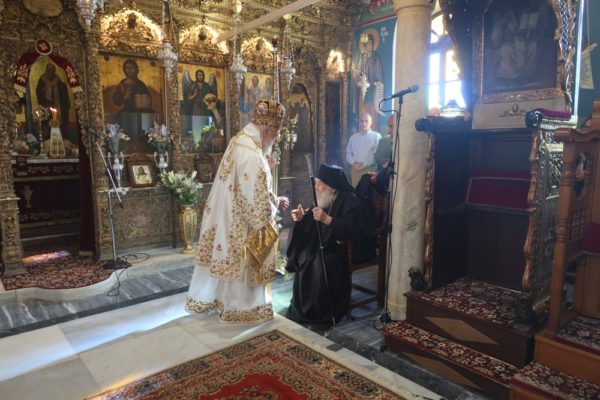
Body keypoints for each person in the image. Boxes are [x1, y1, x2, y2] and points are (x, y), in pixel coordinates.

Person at [186, 99, 290, 323]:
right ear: (266, 132)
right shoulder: (252, 155)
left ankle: (226, 302)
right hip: (242, 224)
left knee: (231, 264)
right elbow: (252, 200)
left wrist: (273, 197)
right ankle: (242, 307)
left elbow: (251, 185)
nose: (276, 140)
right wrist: (271, 210)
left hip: (228, 215)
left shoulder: (241, 141)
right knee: (242, 267)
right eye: (275, 135)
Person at [285, 163, 376, 328]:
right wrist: (301, 219)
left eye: (319, 183)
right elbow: (312, 223)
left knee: (319, 263)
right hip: (322, 245)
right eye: (316, 183)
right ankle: (303, 308)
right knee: (304, 256)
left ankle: (322, 311)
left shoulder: (351, 201)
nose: (316, 187)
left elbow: (355, 229)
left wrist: (328, 220)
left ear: (332, 187)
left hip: (341, 248)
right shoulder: (323, 198)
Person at [346, 112, 381, 186]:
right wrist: (353, 163)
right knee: (355, 191)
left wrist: (363, 165)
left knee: (368, 192)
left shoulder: (376, 136)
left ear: (371, 123)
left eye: (366, 121)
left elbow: (376, 154)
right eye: (362, 121)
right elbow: (348, 153)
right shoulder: (353, 137)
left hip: (370, 170)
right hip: (355, 171)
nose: (363, 123)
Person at [35, 63, 70, 135]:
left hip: (57, 104)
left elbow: (62, 89)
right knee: (47, 120)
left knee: (58, 120)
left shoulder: (57, 78)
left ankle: (60, 135)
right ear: (46, 69)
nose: (50, 71)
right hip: (46, 103)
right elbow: (38, 91)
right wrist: (44, 89)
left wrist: (62, 86)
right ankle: (48, 136)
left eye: (52, 69)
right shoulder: (42, 78)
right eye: (49, 69)